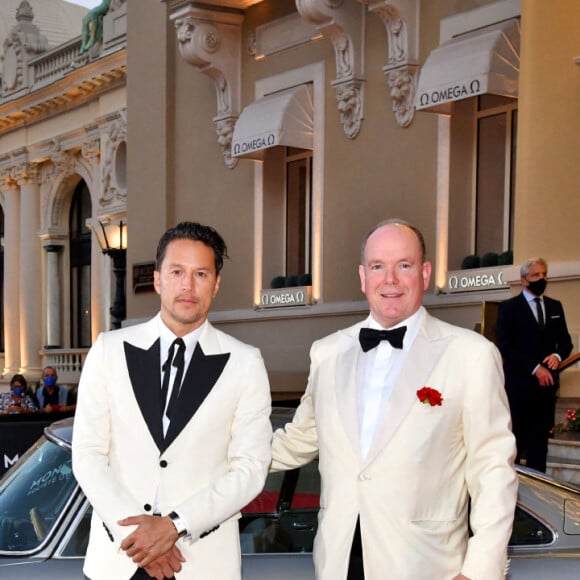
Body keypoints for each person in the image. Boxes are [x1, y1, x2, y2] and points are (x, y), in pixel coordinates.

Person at [271, 219, 518, 580]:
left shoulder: (471, 355)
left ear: (425, 272)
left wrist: (480, 571)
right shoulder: (327, 353)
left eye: (404, 265)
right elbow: (298, 440)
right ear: (362, 276)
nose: (390, 279)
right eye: (377, 266)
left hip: (426, 566)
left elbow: (493, 470)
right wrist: (216, 454)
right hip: (339, 563)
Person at [72, 221, 272, 580]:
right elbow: (87, 455)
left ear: (216, 284)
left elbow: (249, 469)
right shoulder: (108, 350)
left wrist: (174, 526)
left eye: (200, 274)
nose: (188, 286)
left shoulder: (245, 362)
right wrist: (139, 540)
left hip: (201, 564)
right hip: (117, 562)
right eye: (177, 272)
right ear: (158, 279)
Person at [497, 258, 573, 472]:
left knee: (540, 447)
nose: (542, 279)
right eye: (536, 275)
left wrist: (557, 356)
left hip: (545, 391)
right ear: (524, 280)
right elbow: (506, 346)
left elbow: (566, 341)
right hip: (519, 388)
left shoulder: (555, 306)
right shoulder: (509, 308)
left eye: (544, 274)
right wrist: (535, 368)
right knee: (516, 442)